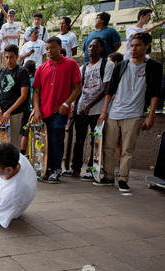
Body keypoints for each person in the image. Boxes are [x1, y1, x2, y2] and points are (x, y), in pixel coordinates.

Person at [94, 33, 162, 192]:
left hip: (134, 114)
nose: (133, 49)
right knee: (108, 146)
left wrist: (151, 115)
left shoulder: (153, 66)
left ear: (147, 46)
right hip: (114, 112)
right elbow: (109, 90)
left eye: (138, 45)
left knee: (127, 149)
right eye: (131, 45)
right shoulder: (121, 66)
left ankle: (123, 178)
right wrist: (104, 112)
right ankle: (108, 176)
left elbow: (155, 93)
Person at [31, 37, 82, 184]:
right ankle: (44, 169)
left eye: (52, 48)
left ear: (60, 47)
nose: (49, 51)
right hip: (43, 111)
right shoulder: (41, 67)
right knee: (42, 142)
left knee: (56, 140)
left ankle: (55, 170)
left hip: (59, 111)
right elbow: (36, 92)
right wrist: (37, 109)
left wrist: (66, 105)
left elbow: (77, 87)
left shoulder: (71, 64)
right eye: (47, 48)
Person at [64, 38, 115, 181]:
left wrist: (89, 106)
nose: (91, 49)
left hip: (97, 111)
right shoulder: (83, 68)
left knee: (95, 141)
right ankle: (75, 168)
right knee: (79, 140)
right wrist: (75, 110)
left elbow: (105, 89)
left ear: (101, 49)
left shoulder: (107, 65)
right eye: (90, 47)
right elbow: (78, 90)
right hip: (81, 110)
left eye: (95, 47)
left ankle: (92, 169)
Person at [0, 44, 30, 148]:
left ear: (17, 56)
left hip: (15, 113)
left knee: (10, 145)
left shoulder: (22, 71)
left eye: (11, 57)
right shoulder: (1, 72)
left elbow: (23, 96)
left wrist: (8, 112)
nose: (9, 60)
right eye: (6, 57)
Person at [20, 60, 36, 155]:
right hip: (31, 110)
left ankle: (22, 154)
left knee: (24, 133)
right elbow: (32, 94)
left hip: (24, 110)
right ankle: (31, 154)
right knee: (33, 133)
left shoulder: (23, 81)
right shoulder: (33, 80)